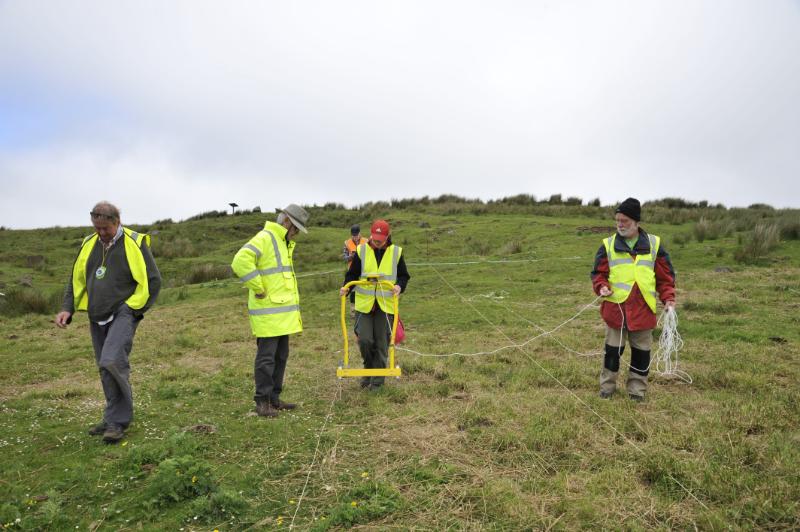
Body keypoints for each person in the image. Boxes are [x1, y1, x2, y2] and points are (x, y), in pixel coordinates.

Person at [55, 201, 161, 443]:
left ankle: (119, 422)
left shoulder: (134, 242)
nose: (101, 233)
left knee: (112, 360)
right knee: (105, 368)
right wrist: (67, 308)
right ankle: (111, 417)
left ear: (117, 222)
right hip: (96, 314)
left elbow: (154, 281)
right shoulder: (88, 244)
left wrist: (135, 309)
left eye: (105, 229)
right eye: (97, 228)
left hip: (124, 312)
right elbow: (75, 279)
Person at [591, 197, 676, 401]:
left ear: (636, 222)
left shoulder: (655, 245)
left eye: (625, 221)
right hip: (615, 311)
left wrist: (669, 299)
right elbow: (598, 273)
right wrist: (601, 286)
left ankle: (637, 392)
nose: (620, 224)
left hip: (643, 310)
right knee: (612, 353)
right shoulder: (608, 245)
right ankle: (607, 389)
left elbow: (666, 278)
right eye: (617, 220)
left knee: (641, 354)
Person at [231, 204, 309, 417]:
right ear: (286, 222)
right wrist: (258, 286)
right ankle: (262, 401)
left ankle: (274, 398)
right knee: (266, 358)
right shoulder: (265, 237)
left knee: (281, 356)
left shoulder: (283, 242)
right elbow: (240, 261)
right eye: (295, 229)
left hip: (281, 314)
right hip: (267, 313)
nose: (296, 234)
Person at [340, 219, 410, 390]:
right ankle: (369, 370)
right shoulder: (361, 251)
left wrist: (399, 286)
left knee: (381, 344)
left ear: (388, 236)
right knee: (364, 340)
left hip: (385, 306)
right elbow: (352, 274)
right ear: (370, 234)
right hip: (364, 306)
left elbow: (404, 276)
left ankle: (377, 383)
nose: (377, 241)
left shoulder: (396, 252)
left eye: (381, 238)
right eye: (374, 237)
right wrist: (346, 288)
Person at [342, 224, 367, 316]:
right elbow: (344, 257)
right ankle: (353, 311)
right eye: (353, 235)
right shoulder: (347, 243)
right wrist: (352, 256)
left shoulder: (366, 241)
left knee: (364, 290)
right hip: (352, 271)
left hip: (365, 270)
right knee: (352, 290)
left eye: (356, 235)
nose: (355, 237)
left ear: (360, 233)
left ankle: (364, 309)